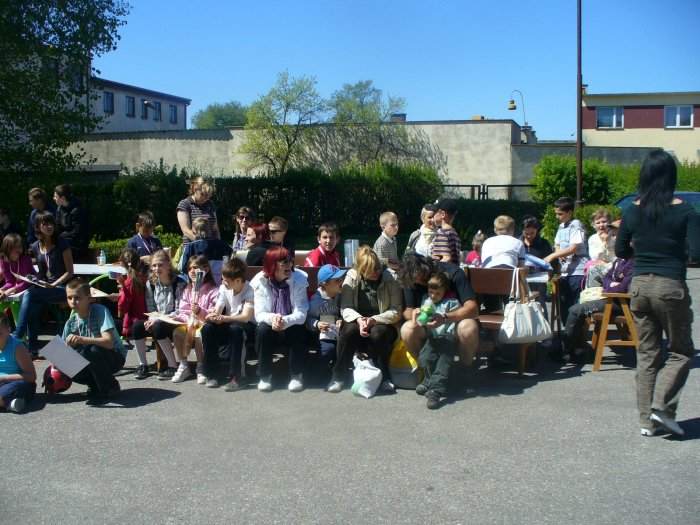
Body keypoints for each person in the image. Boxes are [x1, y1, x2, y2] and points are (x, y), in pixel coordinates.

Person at [615, 149, 700, 437]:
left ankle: (646, 422)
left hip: (639, 285)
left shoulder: (631, 210)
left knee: (647, 353)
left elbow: (620, 250)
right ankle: (662, 406)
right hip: (670, 285)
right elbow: (697, 253)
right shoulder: (686, 211)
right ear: (671, 176)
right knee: (681, 351)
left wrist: (643, 252)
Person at [330, 246, 402, 393]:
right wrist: (359, 319)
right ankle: (338, 376)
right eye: (371, 270)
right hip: (358, 320)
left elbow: (396, 311)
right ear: (362, 270)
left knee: (378, 334)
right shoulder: (352, 276)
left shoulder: (390, 278)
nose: (376, 272)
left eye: (377, 268)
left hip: (383, 321)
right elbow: (346, 307)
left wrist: (374, 320)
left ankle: (385, 377)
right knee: (349, 331)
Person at [399, 253, 480, 384]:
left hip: (453, 323)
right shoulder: (411, 278)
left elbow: (472, 308)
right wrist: (416, 315)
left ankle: (464, 371)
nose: (419, 283)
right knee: (407, 329)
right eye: (416, 281)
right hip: (427, 324)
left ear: (426, 268)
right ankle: (427, 372)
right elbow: (408, 310)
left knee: (468, 327)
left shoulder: (453, 273)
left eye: (422, 278)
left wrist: (445, 317)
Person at [250, 246, 309, 393]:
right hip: (271, 323)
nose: (289, 265)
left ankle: (296, 375)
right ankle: (265, 376)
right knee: (262, 330)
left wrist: (285, 321)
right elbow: (260, 314)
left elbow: (301, 312)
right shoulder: (259, 281)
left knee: (297, 329)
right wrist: (274, 319)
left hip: (291, 322)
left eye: (290, 261)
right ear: (272, 264)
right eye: (284, 262)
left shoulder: (300, 279)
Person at [13, 212, 74, 353]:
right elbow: (42, 273)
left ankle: (17, 336)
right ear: (38, 227)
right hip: (46, 288)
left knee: (29, 295)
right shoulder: (35, 246)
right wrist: (33, 279)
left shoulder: (62, 243)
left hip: (63, 288)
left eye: (51, 223)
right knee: (32, 305)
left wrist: (54, 284)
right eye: (45, 224)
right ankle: (32, 348)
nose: (49, 226)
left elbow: (70, 272)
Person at [62, 278, 126, 403]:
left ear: (89, 298)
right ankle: (94, 384)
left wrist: (82, 339)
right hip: (91, 359)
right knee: (64, 363)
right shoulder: (71, 322)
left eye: (77, 298)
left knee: (92, 350)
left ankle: (109, 387)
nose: (73, 301)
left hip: (114, 356)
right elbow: (65, 350)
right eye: (69, 298)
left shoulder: (99, 311)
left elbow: (109, 343)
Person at [562, 257, 634, 362]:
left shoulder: (633, 264)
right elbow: (606, 278)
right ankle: (577, 349)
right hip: (611, 299)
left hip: (622, 303)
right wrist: (610, 284)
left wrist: (609, 287)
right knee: (576, 309)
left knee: (575, 310)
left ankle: (566, 351)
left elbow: (622, 288)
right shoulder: (619, 260)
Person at [201, 258, 255, 391]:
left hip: (247, 326)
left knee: (236, 331)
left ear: (238, 280)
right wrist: (214, 316)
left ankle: (237, 377)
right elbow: (219, 307)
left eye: (226, 280)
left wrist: (224, 318)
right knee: (207, 328)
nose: (223, 282)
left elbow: (246, 317)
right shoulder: (224, 288)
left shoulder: (250, 290)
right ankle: (212, 374)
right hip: (230, 322)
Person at [132, 250, 186, 380]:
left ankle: (172, 366)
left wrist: (157, 319)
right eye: (154, 265)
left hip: (175, 320)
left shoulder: (179, 283)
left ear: (168, 265)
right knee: (137, 326)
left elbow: (179, 310)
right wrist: (152, 318)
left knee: (158, 327)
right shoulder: (151, 283)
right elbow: (151, 307)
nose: (157, 268)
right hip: (158, 319)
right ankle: (143, 365)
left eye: (160, 265)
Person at [544, 197, 589, 338]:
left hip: (577, 271)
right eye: (556, 213)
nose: (557, 217)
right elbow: (557, 244)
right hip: (565, 272)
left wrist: (553, 256)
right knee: (564, 305)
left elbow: (574, 248)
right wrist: (559, 253)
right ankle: (567, 336)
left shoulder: (576, 225)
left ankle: (577, 339)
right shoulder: (561, 227)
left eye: (560, 214)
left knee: (575, 306)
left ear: (569, 212)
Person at [170, 255, 219, 384]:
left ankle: (201, 367)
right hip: (189, 323)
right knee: (177, 333)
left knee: (199, 335)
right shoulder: (187, 289)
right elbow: (183, 309)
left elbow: (214, 311)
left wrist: (199, 312)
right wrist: (187, 317)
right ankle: (184, 365)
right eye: (189, 268)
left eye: (195, 268)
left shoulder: (213, 290)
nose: (192, 271)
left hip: (204, 323)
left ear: (206, 269)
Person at [416, 272, 461, 409]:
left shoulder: (452, 302)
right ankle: (428, 380)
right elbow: (423, 318)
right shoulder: (426, 300)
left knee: (443, 362)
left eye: (437, 293)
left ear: (444, 291)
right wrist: (420, 317)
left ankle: (436, 391)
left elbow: (455, 318)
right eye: (431, 292)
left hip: (447, 337)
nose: (433, 296)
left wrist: (442, 316)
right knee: (425, 358)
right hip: (432, 336)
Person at [306, 264, 347, 385]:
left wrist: (342, 320)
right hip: (323, 335)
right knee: (327, 350)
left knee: (342, 347)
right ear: (325, 284)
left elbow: (345, 312)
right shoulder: (316, 301)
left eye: (341, 279)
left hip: (339, 333)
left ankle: (337, 371)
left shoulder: (341, 296)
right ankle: (315, 372)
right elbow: (308, 318)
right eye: (337, 280)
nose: (341, 282)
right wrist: (317, 324)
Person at [117, 256, 149, 379]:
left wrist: (122, 289)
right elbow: (124, 305)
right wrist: (123, 290)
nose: (145, 277)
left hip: (139, 319)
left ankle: (143, 364)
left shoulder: (131, 282)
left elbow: (123, 307)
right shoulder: (132, 283)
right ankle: (142, 364)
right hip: (138, 319)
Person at [0, 313, 36, 414]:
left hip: (17, 383)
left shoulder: (17, 347)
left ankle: (7, 402)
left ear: (8, 330)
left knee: (4, 393)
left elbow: (31, 376)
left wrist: (3, 378)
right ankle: (10, 404)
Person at [176, 176, 219, 245]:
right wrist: (202, 244)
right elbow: (186, 230)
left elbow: (215, 229)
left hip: (211, 247)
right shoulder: (185, 204)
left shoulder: (210, 204)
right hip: (193, 247)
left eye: (208, 195)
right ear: (195, 189)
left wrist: (219, 244)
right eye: (203, 194)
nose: (206, 198)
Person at [53, 184, 89, 258]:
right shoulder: (59, 209)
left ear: (62, 198)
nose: (54, 198)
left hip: (77, 244)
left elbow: (77, 232)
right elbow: (57, 227)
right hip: (65, 240)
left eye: (56, 196)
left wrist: (60, 237)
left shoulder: (78, 210)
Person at [0, 234, 35, 301]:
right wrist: (2, 289)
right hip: (16, 289)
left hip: (30, 288)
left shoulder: (25, 259)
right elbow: (10, 282)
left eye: (19, 246)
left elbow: (28, 281)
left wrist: (12, 290)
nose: (19, 249)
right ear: (7, 248)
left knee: (17, 302)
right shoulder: (4, 260)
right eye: (15, 247)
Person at [431, 198, 462, 265]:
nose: (433, 216)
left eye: (435, 213)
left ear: (443, 214)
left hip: (444, 270)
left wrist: (434, 267)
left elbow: (447, 258)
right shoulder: (454, 233)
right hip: (454, 269)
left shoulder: (442, 233)